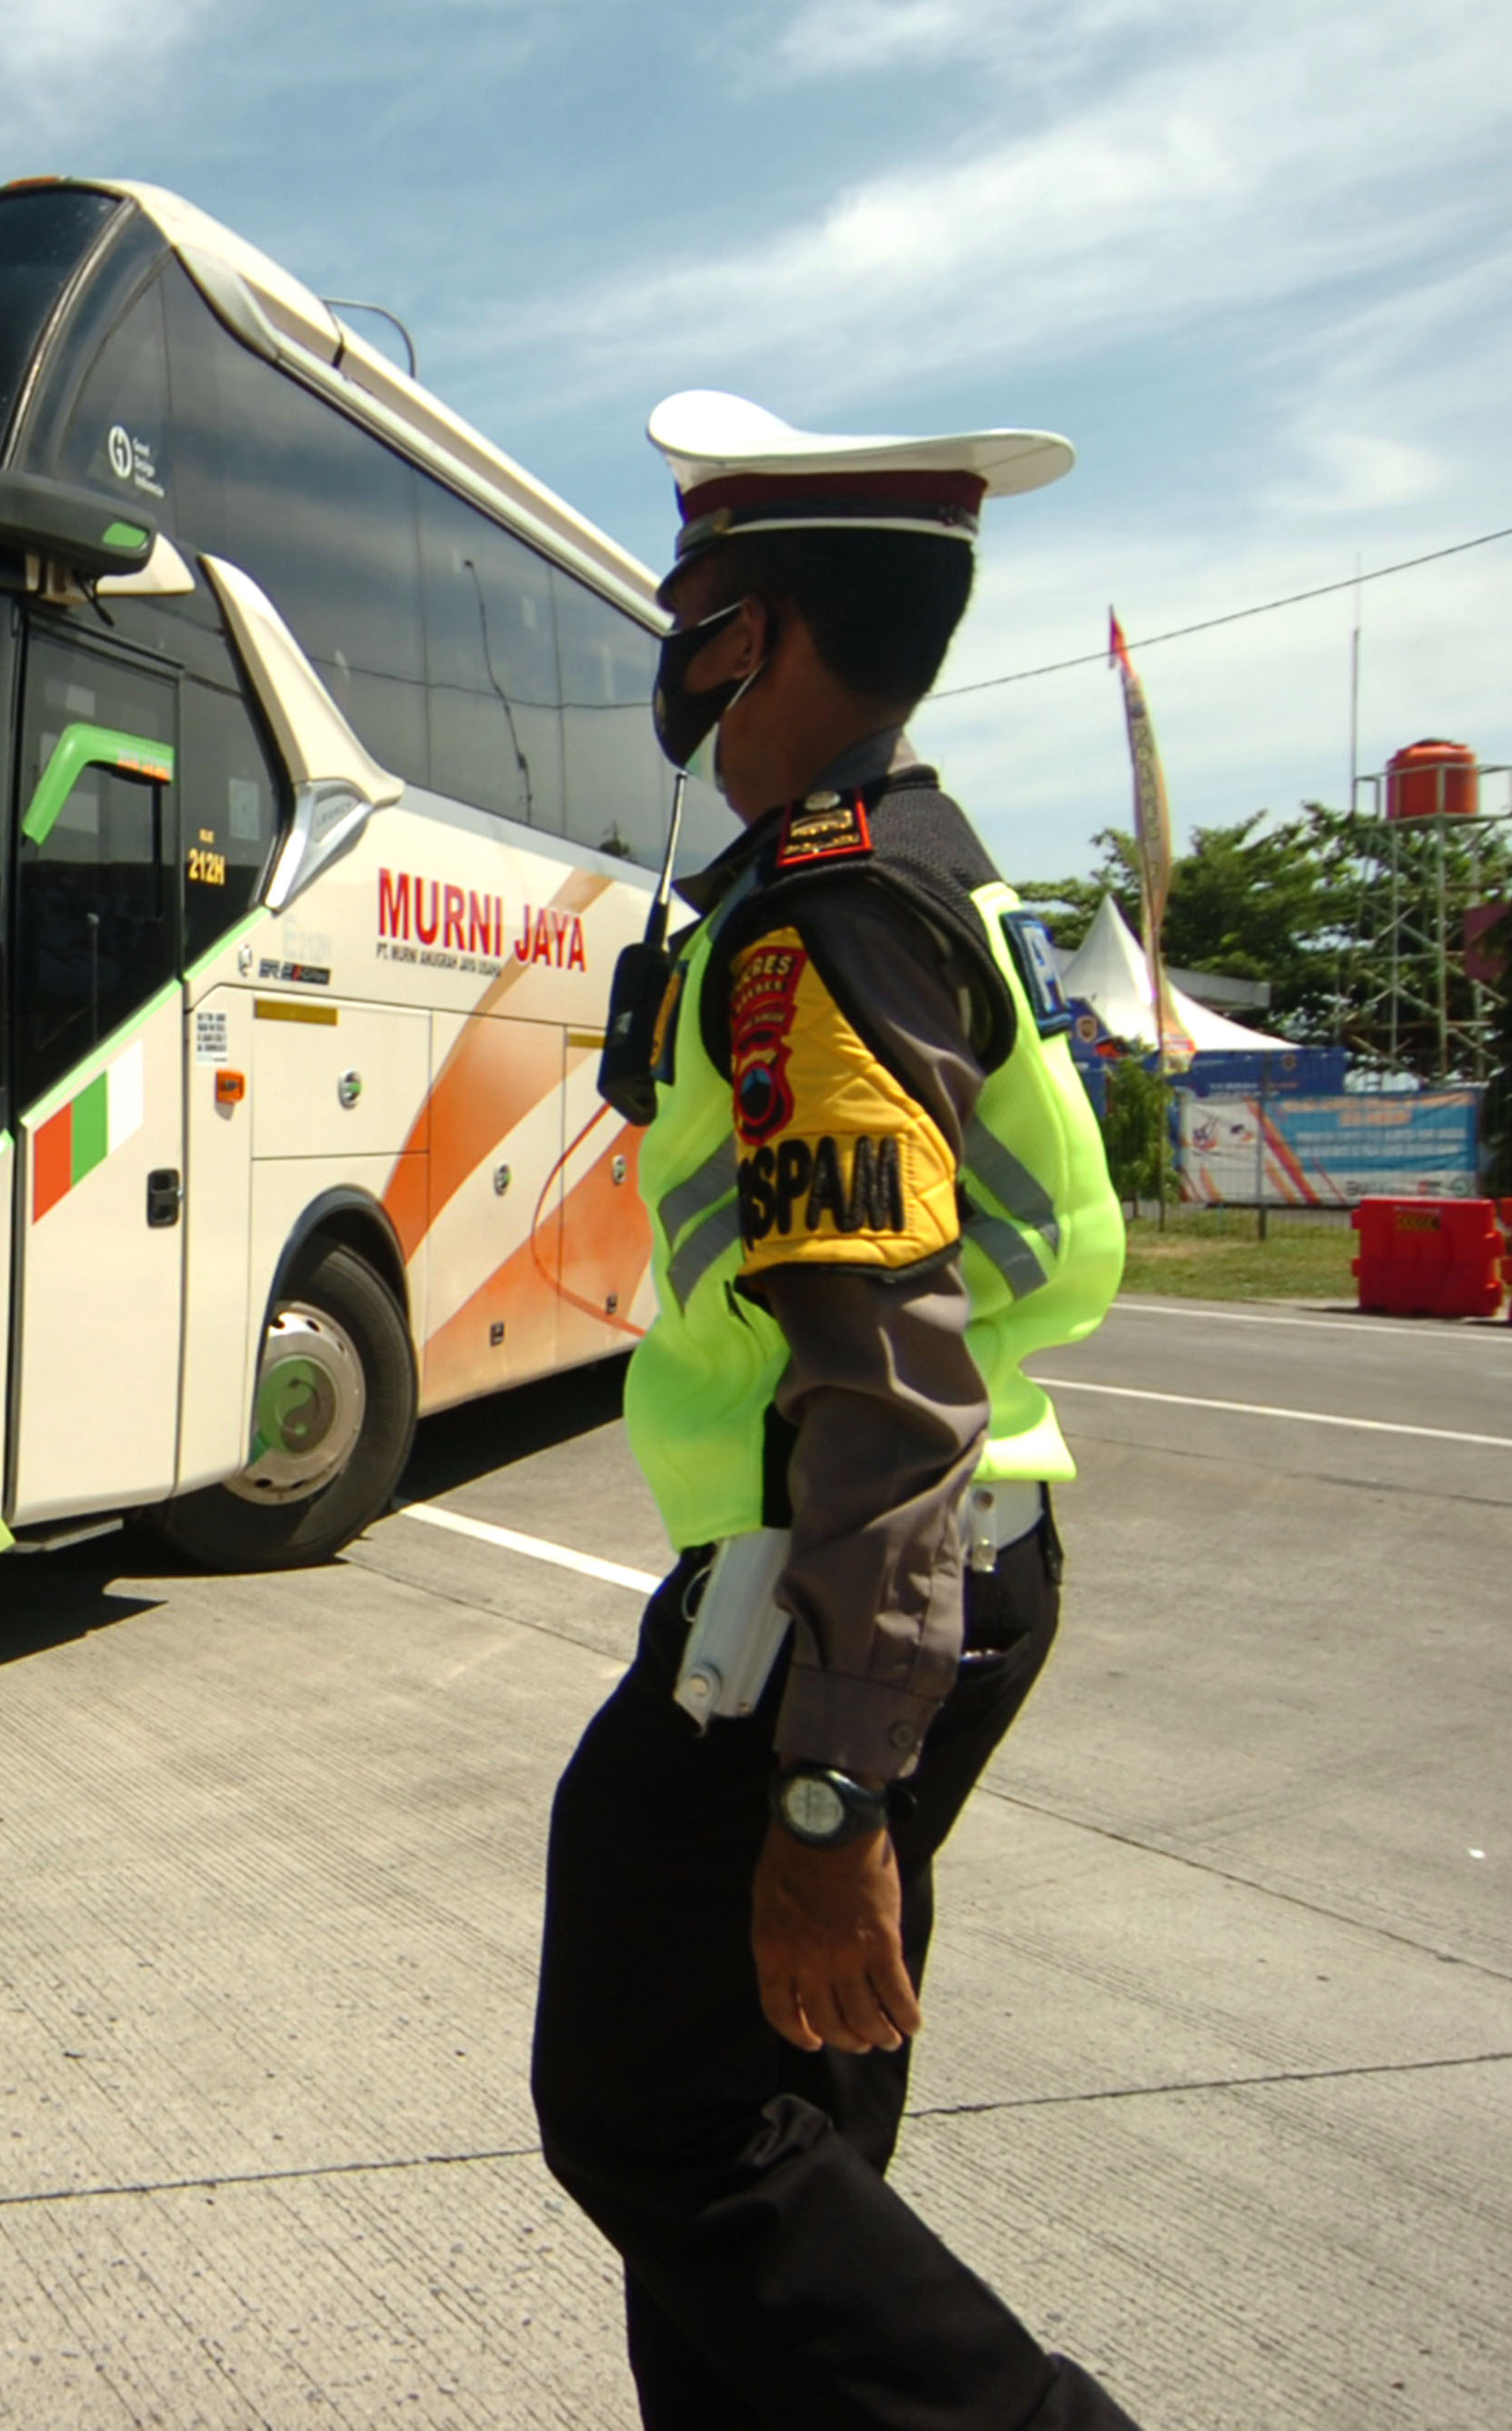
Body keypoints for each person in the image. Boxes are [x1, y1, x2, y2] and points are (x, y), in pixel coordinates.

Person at [533, 396, 1136, 2427]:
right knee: (787, 2112)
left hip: (829, 1590)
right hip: (924, 1567)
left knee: (649, 2107)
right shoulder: (911, 862)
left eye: (689, 600)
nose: (668, 641)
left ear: (756, 633)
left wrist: (825, 1789)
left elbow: (875, 1372)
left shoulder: (821, 924)